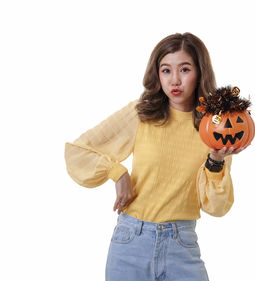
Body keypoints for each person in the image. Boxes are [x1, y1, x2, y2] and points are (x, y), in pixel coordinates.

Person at [64, 32, 245, 281]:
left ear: (200, 72)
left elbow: (216, 207)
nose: (175, 80)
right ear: (157, 74)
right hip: (131, 243)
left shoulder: (215, 128)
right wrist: (118, 173)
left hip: (182, 245)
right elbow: (78, 150)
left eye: (184, 69)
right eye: (166, 70)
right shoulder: (142, 114)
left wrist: (216, 160)